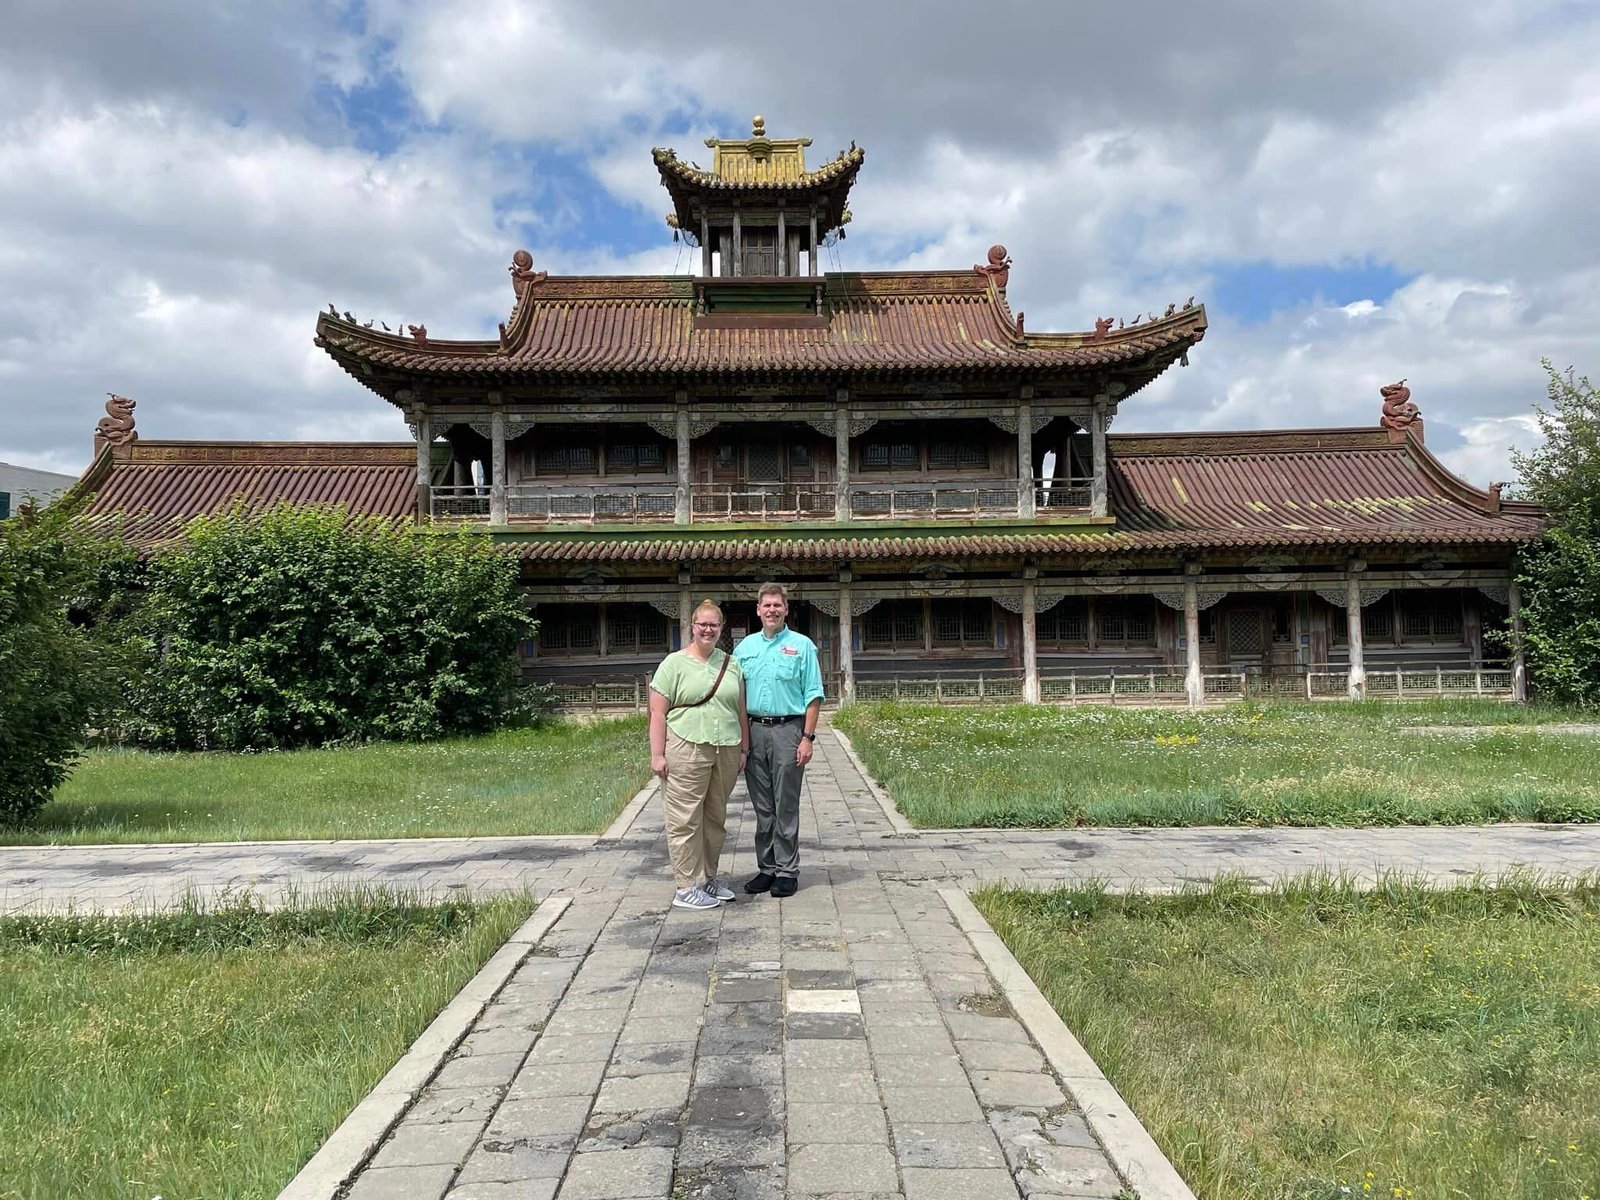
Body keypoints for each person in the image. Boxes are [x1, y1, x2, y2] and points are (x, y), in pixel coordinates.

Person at [648, 599, 749, 910]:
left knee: (716, 817)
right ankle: (686, 885)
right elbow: (657, 712)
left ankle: (708, 878)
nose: (708, 629)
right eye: (702, 624)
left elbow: (740, 710)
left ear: (721, 628)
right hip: (685, 746)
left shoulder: (731, 664)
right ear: (692, 627)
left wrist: (744, 748)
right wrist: (657, 754)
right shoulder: (674, 664)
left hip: (726, 747)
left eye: (713, 625)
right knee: (685, 818)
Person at [734, 583, 824, 897]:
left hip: (788, 730)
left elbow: (813, 695)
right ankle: (767, 868)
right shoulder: (744, 649)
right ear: (758, 610)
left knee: (785, 804)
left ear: (786, 609)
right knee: (762, 806)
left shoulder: (802, 646)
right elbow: (735, 696)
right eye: (767, 605)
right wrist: (741, 744)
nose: (772, 610)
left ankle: (787, 870)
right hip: (754, 730)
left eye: (777, 605)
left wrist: (807, 738)